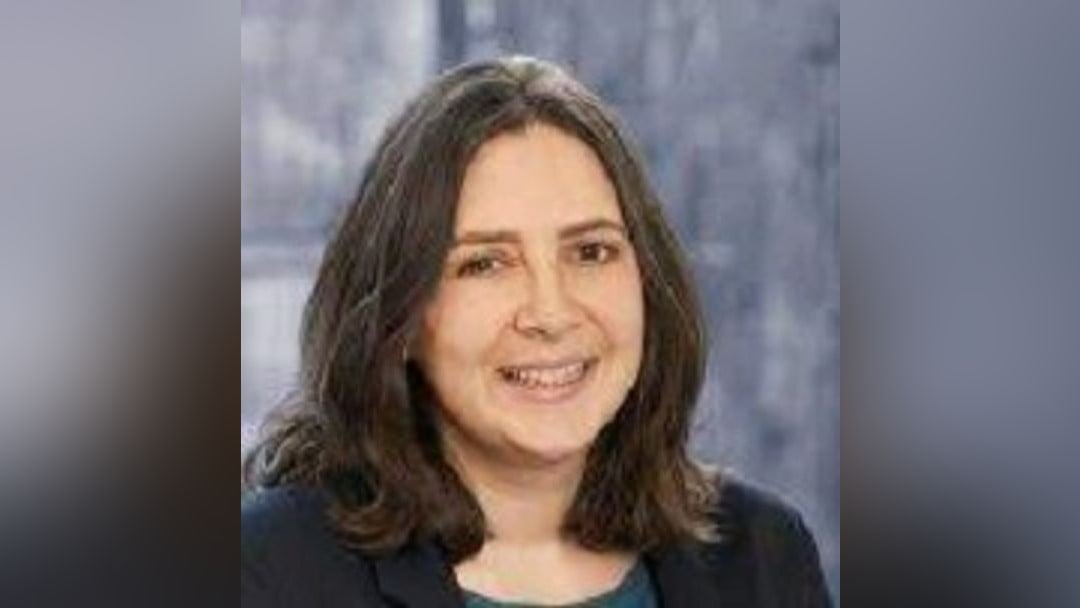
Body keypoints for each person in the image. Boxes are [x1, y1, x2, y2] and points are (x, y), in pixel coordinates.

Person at [241, 56, 832, 608]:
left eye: (591, 251)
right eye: (485, 263)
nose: (551, 314)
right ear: (401, 313)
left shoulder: (763, 558)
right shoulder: (269, 573)